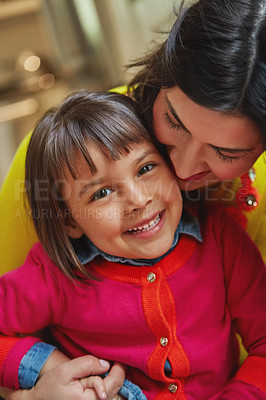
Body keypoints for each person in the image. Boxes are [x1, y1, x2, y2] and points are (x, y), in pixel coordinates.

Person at [1, 0, 266, 398]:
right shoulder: (62, 162)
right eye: (175, 122)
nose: (184, 165)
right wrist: (43, 375)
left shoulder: (222, 241)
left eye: (225, 153)